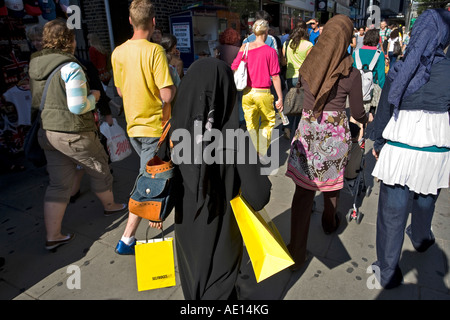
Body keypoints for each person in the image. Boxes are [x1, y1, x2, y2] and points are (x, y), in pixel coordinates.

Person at [169, 57, 271, 300]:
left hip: (186, 234)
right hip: (222, 236)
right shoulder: (236, 137)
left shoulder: (174, 130)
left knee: (194, 288)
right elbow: (259, 197)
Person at [28, 18, 127, 251]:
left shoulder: (35, 65)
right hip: (74, 131)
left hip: (48, 132)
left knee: (58, 184)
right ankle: (110, 205)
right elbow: (77, 106)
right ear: (69, 40)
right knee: (100, 167)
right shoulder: (70, 67)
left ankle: (54, 235)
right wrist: (95, 97)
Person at [285, 15, 373, 271]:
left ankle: (296, 253)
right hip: (333, 137)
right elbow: (357, 112)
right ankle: (329, 222)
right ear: (347, 39)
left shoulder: (312, 61)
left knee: (302, 193)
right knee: (331, 188)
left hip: (308, 132)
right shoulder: (351, 72)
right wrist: (366, 118)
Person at [370, 9, 450, 289]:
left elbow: (384, 112)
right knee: (427, 197)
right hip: (436, 149)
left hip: (401, 147)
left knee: (392, 212)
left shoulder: (402, 68)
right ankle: (420, 237)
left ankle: (388, 271)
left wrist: (378, 143)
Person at [111, 0, 176, 255]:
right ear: (153, 22)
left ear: (130, 21)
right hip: (154, 126)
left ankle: (151, 215)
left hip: (133, 126)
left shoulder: (117, 52)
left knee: (150, 173)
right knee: (149, 180)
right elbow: (167, 95)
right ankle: (127, 239)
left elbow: (118, 89)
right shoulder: (155, 52)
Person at [231, 19, 283, 159]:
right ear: (266, 32)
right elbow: (276, 76)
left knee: (251, 123)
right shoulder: (270, 51)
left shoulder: (245, 47)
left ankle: (253, 151)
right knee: (268, 121)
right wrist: (280, 97)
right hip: (263, 92)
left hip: (247, 92)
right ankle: (261, 151)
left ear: (254, 32)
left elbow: (234, 66)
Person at [282, 21, 313, 139]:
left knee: (291, 103)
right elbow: (310, 63)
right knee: (301, 105)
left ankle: (288, 127)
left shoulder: (288, 44)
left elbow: (283, 62)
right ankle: (297, 131)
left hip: (289, 77)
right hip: (303, 78)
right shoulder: (308, 45)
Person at [352, 29, 385, 115]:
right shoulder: (379, 54)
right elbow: (381, 74)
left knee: (356, 113)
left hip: (357, 87)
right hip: (373, 88)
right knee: (370, 114)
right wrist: (383, 88)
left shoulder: (356, 53)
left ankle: (358, 128)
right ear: (377, 40)